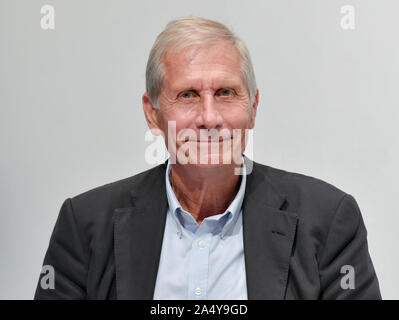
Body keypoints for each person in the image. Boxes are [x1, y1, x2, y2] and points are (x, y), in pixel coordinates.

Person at [34, 16, 381, 300]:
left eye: (225, 93)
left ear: (253, 108)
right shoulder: (85, 225)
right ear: (152, 114)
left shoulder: (328, 221)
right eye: (187, 95)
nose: (209, 117)